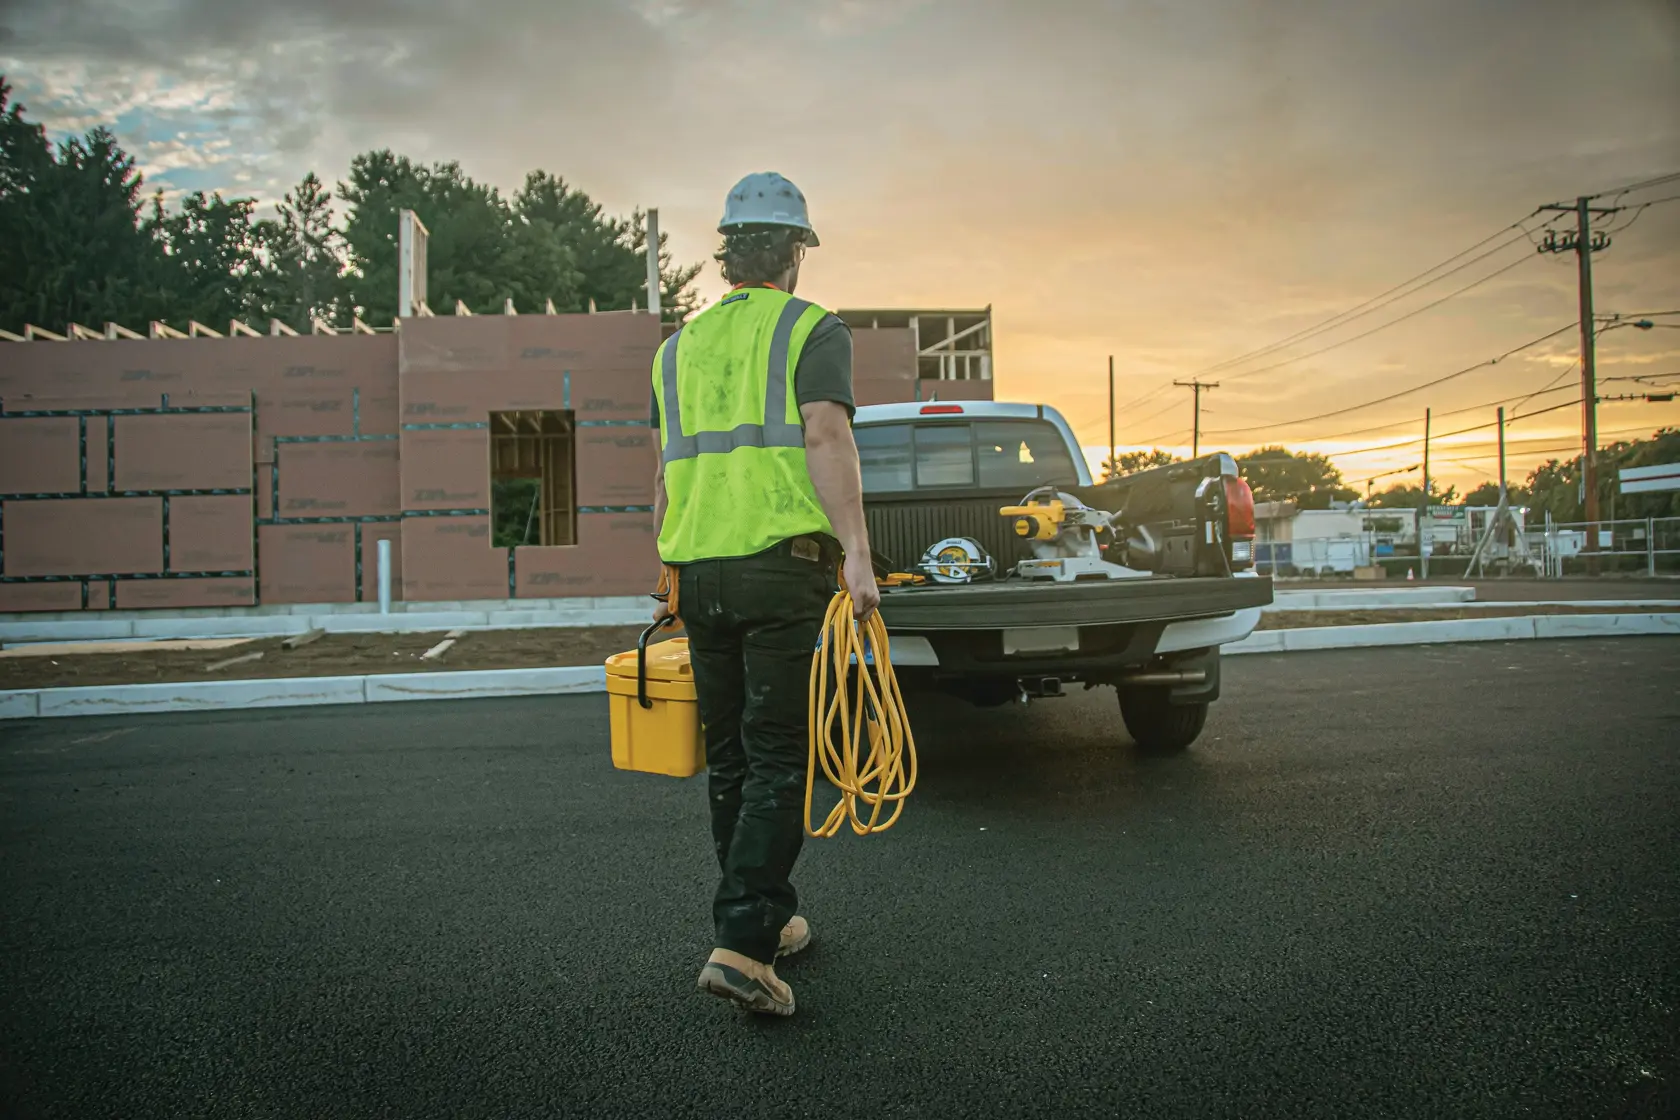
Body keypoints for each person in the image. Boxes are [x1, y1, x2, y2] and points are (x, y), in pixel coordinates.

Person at [648, 171, 880, 1018]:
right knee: (781, 759)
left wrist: (667, 566)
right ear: (794, 253)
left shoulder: (676, 349)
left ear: (726, 254)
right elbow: (826, 433)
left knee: (735, 759)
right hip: (781, 568)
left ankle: (768, 922)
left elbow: (671, 469)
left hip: (700, 574)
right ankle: (743, 946)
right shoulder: (811, 328)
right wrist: (857, 553)